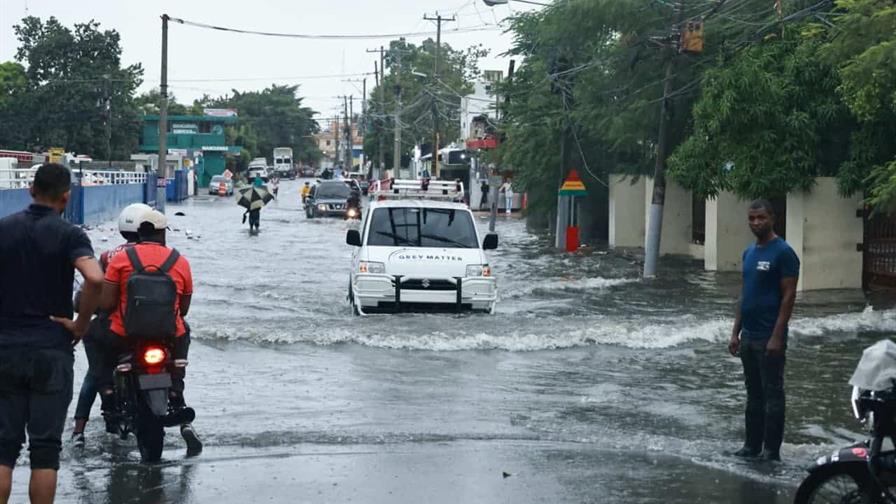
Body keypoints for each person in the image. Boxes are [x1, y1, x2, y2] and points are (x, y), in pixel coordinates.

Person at [0, 163, 104, 504]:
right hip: (51, 350)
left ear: (31, 190)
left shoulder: (4, 228)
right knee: (45, 450)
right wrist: (81, 323)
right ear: (66, 196)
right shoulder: (70, 234)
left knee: (3, 448)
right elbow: (95, 278)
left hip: (6, 347)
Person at [101, 209, 202, 457]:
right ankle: (177, 389)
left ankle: (109, 396)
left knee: (100, 348)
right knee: (183, 332)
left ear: (139, 233)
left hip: (125, 334)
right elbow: (185, 308)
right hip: (169, 334)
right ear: (161, 234)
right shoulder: (180, 261)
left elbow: (106, 303)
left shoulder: (121, 260)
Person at [70, 203, 151, 447]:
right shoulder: (162, 254)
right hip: (149, 328)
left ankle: (78, 430)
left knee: (93, 375)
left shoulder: (109, 256)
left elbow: (96, 291)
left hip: (111, 328)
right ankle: (179, 412)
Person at [728, 199, 799, 462]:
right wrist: (735, 332)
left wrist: (777, 336)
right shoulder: (748, 253)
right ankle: (751, 446)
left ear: (772, 218)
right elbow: (744, 294)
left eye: (761, 218)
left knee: (773, 395)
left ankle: (771, 452)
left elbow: (789, 296)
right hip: (749, 337)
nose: (756, 222)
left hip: (770, 337)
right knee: (753, 395)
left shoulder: (783, 252)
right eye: (752, 218)